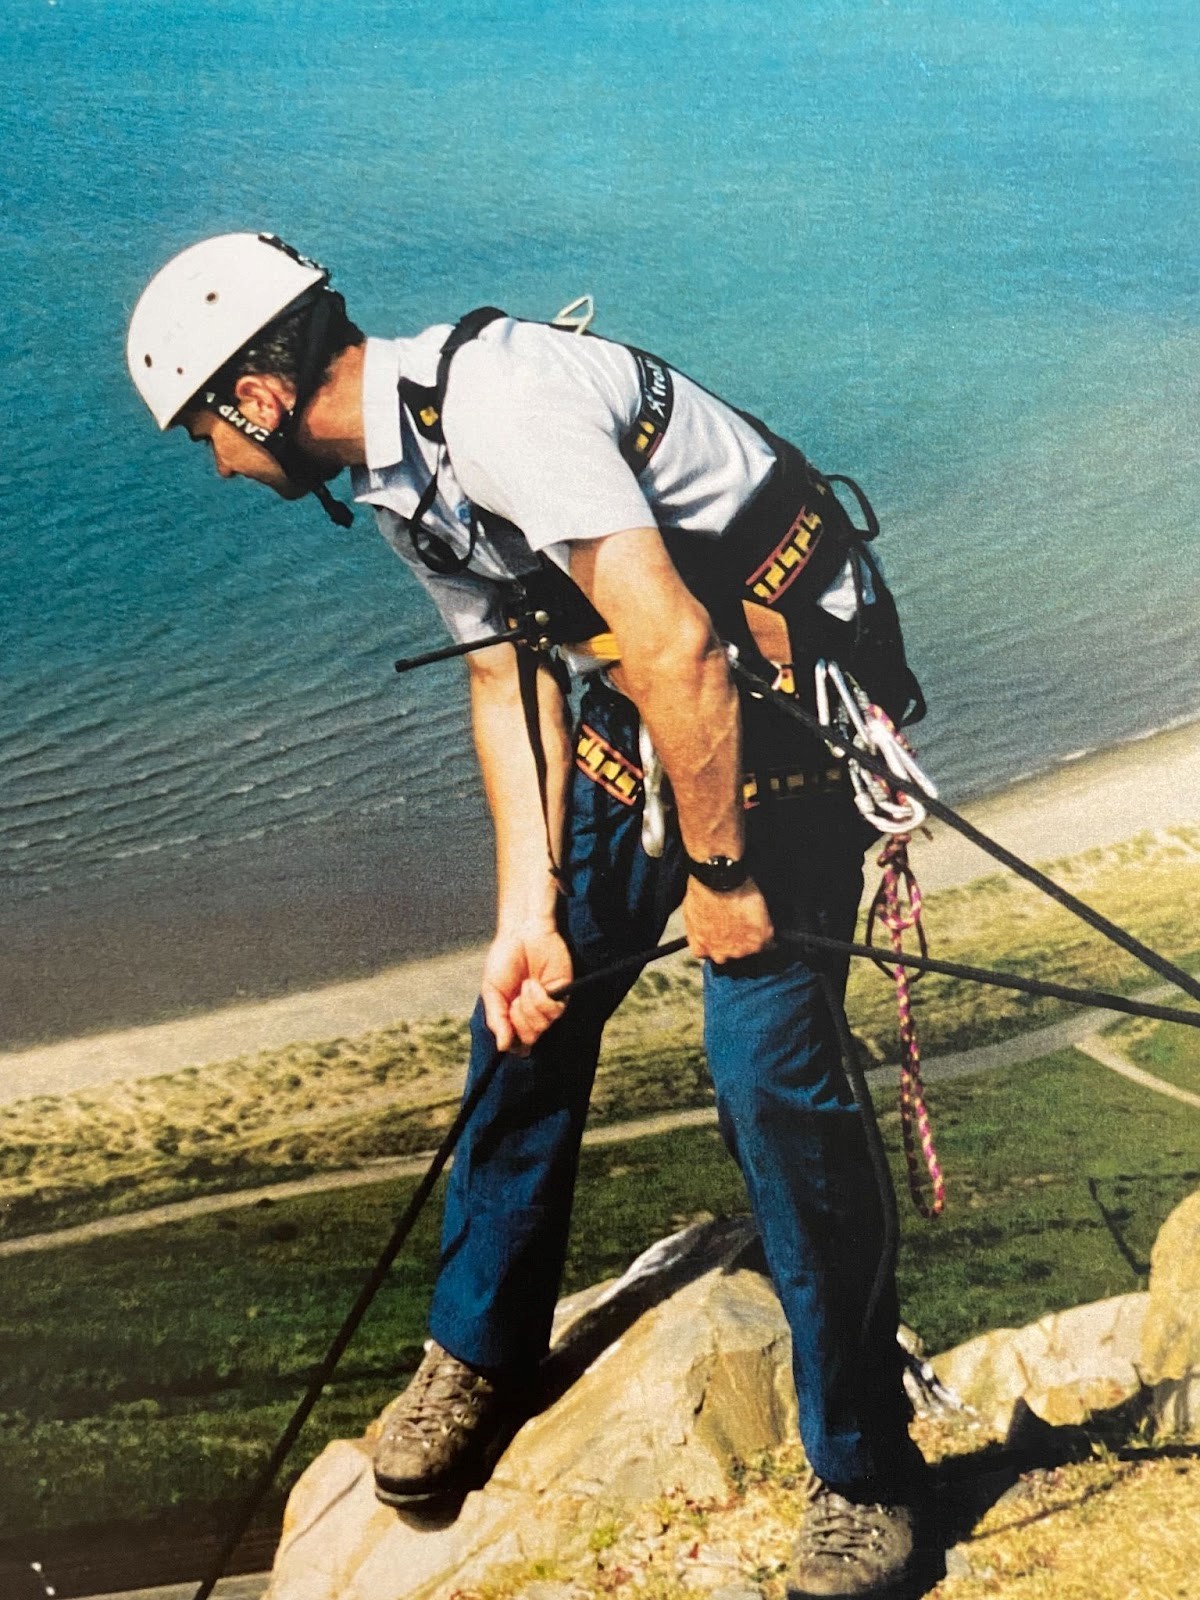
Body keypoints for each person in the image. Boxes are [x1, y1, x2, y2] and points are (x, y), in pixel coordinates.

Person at [128, 231, 930, 1600]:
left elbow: (676, 644)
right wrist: (527, 917)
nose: (215, 463)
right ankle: (481, 1353)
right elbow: (510, 683)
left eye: (208, 430)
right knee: (520, 1019)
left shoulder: (499, 407)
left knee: (772, 1081)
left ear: (257, 399)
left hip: (775, 717)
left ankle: (866, 1471)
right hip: (660, 710)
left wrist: (724, 882)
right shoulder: (403, 476)